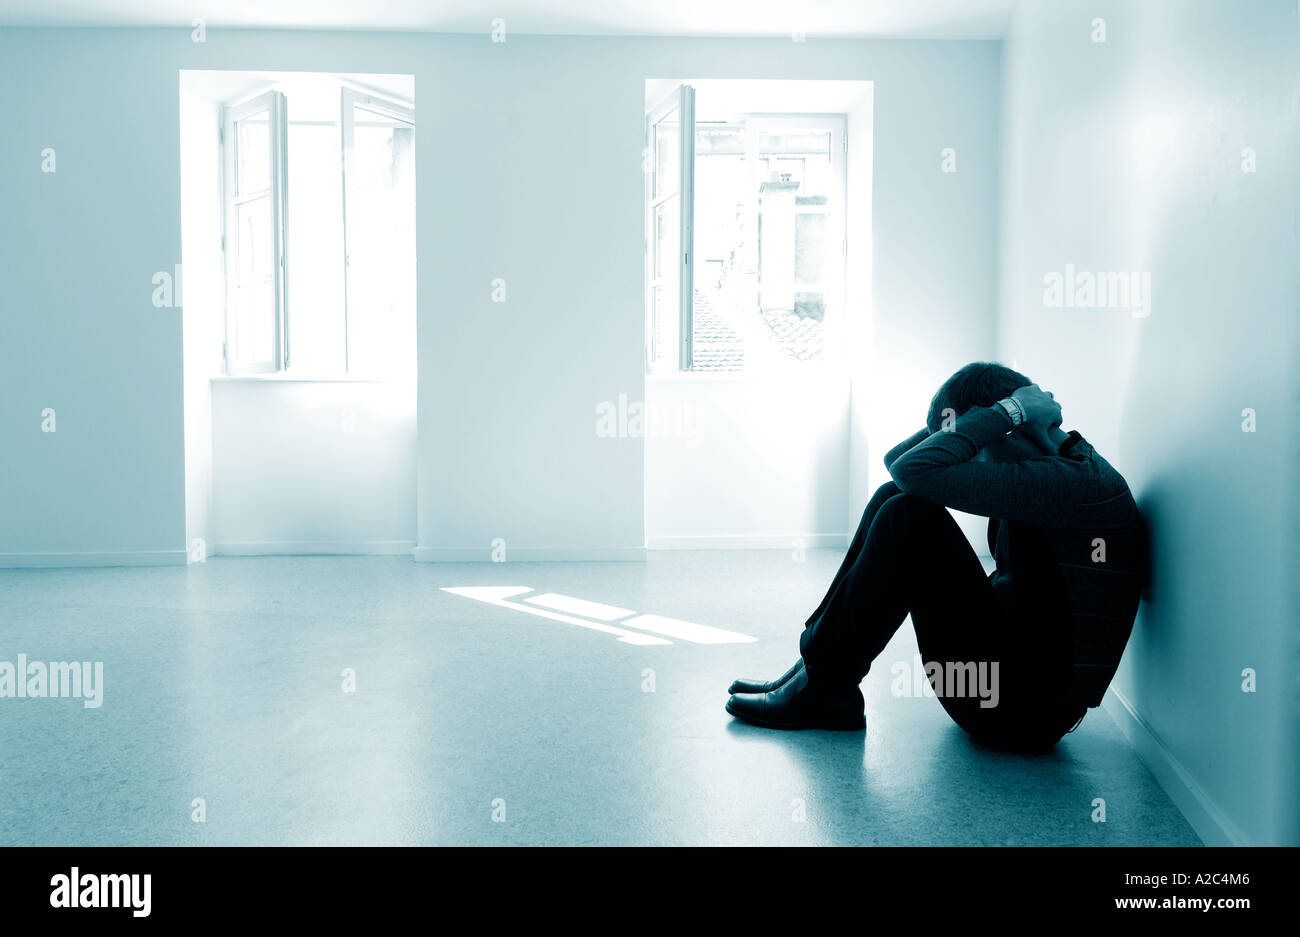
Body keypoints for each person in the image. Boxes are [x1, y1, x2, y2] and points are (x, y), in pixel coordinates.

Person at [725, 362, 1146, 749]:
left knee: (907, 516)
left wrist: (1008, 411)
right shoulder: (1060, 462)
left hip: (1022, 711)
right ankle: (817, 675)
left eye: (979, 445)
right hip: (1010, 677)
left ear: (1009, 430)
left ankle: (824, 687)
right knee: (895, 496)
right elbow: (901, 467)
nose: (974, 459)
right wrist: (1000, 415)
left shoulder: (1067, 483)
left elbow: (916, 470)